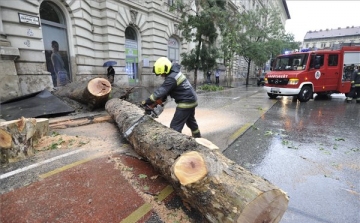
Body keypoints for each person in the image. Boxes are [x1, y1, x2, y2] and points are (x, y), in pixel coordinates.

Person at [142, 57, 201, 138]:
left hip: (185, 102)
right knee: (191, 122)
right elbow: (167, 91)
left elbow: (161, 91)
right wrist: (158, 102)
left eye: (162, 73)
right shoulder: (174, 74)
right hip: (191, 100)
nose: (161, 76)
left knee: (175, 127)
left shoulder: (172, 78)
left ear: (166, 69)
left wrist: (148, 101)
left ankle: (175, 144)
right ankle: (198, 138)